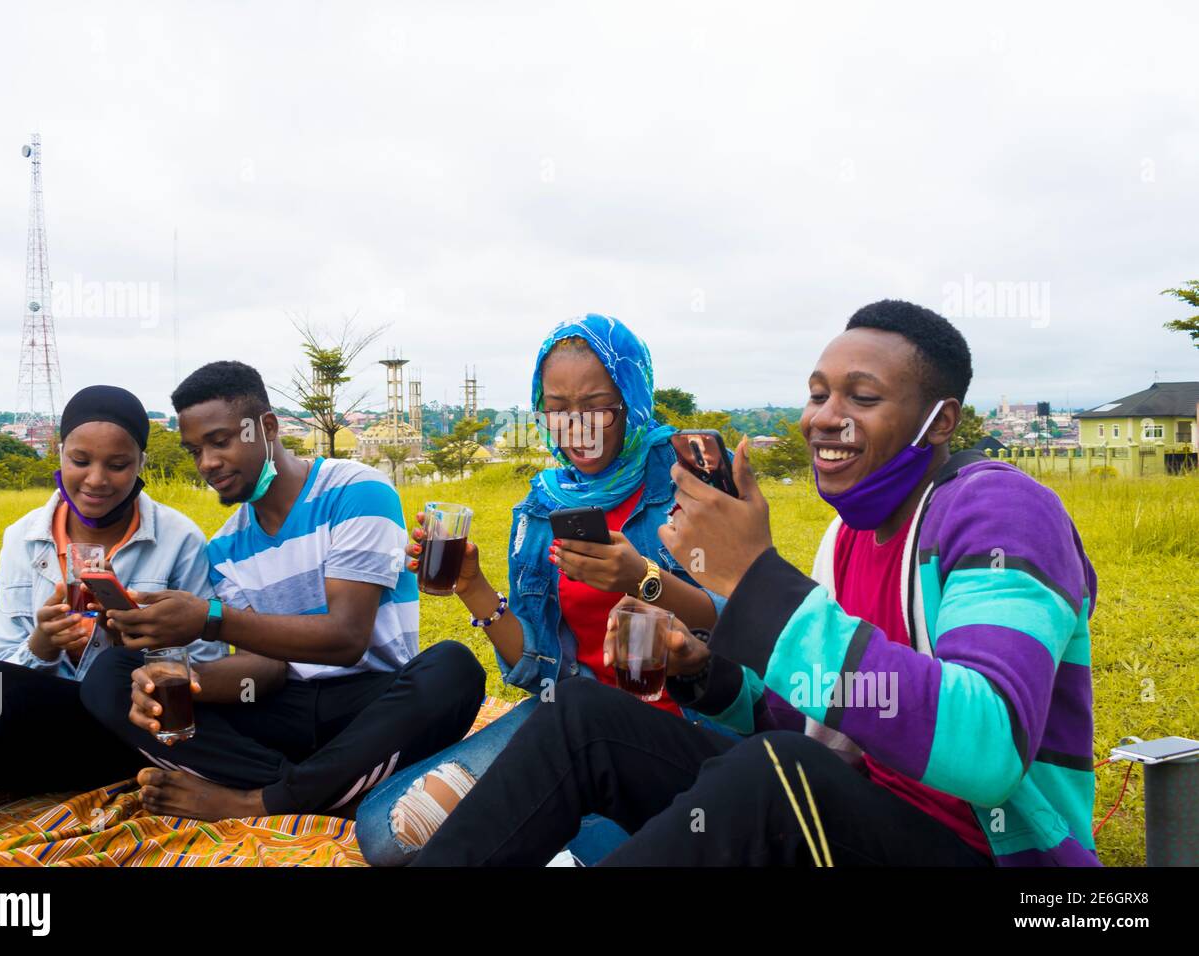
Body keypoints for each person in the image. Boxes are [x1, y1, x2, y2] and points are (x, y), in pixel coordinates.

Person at [412, 300, 1100, 867]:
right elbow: (814, 716)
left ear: (939, 421)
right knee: (585, 718)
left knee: (777, 772)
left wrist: (754, 579)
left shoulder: (1000, 511)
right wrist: (702, 672)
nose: (825, 417)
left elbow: (989, 748)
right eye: (817, 393)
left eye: (862, 397)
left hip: (985, 852)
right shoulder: (850, 537)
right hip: (859, 807)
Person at [355, 314, 730, 865]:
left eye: (598, 404)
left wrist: (645, 581)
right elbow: (537, 668)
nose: (578, 427)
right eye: (557, 409)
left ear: (632, 397)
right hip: (566, 715)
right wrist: (472, 585)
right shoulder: (540, 508)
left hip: (684, 726)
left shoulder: (689, 474)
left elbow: (741, 621)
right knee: (389, 833)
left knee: (560, 839)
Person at [79, 361, 487, 822]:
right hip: (280, 712)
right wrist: (175, 681)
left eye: (220, 441)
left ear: (266, 427)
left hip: (368, 709)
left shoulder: (356, 490)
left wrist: (209, 617)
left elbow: (347, 640)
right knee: (112, 677)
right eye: (195, 450)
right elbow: (265, 672)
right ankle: (323, 790)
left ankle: (256, 800)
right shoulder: (226, 547)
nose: (207, 464)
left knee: (453, 668)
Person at [0, 385, 228, 832]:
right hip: (41, 733)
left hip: (122, 737)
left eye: (117, 465)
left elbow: (206, 672)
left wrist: (133, 646)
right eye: (80, 460)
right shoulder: (23, 537)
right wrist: (42, 645)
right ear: (59, 454)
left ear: (141, 464)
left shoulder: (178, 539)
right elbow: (4, 661)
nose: (96, 480)